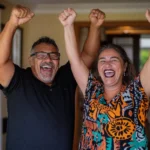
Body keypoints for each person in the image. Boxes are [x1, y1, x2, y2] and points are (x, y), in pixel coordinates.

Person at [0, 4, 105, 150]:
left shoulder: (66, 78)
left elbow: (88, 55)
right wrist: (12, 23)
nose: (48, 60)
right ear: (31, 60)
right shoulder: (19, 80)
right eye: (41, 55)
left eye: (53, 56)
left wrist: (95, 26)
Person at [59, 8, 150, 149]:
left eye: (114, 59)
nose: (107, 64)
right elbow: (75, 60)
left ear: (124, 67)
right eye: (102, 60)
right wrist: (68, 26)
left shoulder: (137, 92)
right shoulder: (92, 90)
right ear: (98, 68)